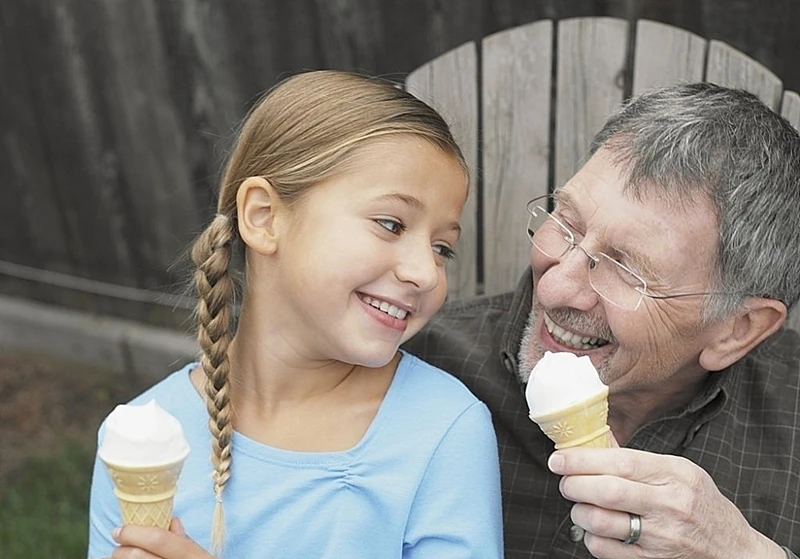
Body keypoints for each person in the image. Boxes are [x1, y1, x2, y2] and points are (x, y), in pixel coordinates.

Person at [87, 70, 503, 559]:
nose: (426, 274)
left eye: (441, 249)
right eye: (390, 224)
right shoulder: (140, 439)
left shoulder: (444, 432)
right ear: (263, 217)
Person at [404, 82, 800, 559]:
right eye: (567, 225)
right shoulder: (412, 365)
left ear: (739, 329)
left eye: (625, 270)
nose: (552, 289)